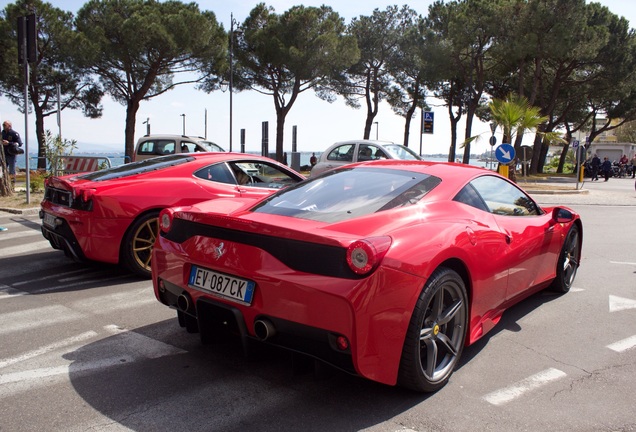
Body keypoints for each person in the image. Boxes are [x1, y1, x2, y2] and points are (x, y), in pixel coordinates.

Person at [2, 120, 23, 188]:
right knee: (2, 170)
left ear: (9, 126)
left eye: (5, 125)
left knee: (12, 170)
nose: (4, 126)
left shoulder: (14, 133)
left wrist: (9, 143)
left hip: (11, 154)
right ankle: (3, 185)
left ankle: (12, 185)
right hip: (3, 154)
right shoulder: (2, 133)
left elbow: (19, 143)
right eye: (3, 125)